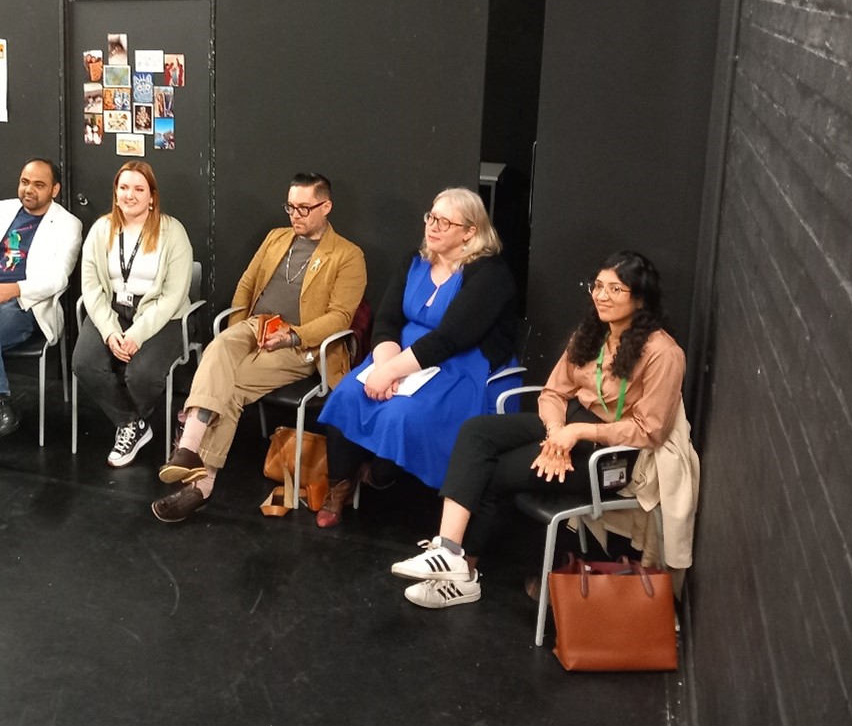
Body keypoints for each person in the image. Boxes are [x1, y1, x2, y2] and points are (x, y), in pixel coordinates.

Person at [388, 250, 690, 609]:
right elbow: (553, 392)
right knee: (476, 432)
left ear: (640, 299)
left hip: (611, 453)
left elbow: (649, 430)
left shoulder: (663, 352)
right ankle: (450, 553)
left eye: (615, 289)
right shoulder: (591, 332)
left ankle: (463, 573)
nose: (601, 296)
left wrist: (577, 435)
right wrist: (556, 431)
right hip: (565, 424)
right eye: (598, 286)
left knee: (491, 471)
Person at [153, 173, 366, 522]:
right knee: (220, 348)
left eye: (304, 208)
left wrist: (293, 336)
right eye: (290, 207)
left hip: (301, 343)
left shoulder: (347, 255)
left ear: (326, 207)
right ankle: (190, 451)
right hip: (257, 324)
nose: (295, 215)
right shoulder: (276, 238)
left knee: (232, 386)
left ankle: (199, 484)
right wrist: (241, 334)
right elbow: (247, 285)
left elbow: (340, 317)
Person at [316, 187, 519, 527]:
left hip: (460, 362)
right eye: (431, 217)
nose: (433, 226)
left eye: (444, 221)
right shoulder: (415, 260)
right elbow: (387, 321)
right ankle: (340, 486)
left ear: (470, 231)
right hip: (396, 353)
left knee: (402, 412)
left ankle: (383, 475)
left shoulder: (490, 273)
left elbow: (451, 338)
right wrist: (384, 367)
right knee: (348, 394)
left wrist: (392, 372)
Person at [0, 159, 83, 485]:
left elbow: (58, 279)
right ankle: (0, 401)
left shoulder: (68, 224)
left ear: (55, 189)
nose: (28, 190)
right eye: (24, 182)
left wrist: (15, 289)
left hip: (23, 305)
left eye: (38, 184)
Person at [73, 162, 193, 468]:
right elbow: (91, 286)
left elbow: (173, 295)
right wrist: (111, 330)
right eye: (124, 188)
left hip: (161, 315)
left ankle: (134, 420)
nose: (130, 195)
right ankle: (131, 424)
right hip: (112, 310)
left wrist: (136, 334)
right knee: (84, 363)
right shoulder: (101, 230)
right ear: (115, 193)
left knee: (142, 375)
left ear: (152, 196)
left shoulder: (172, 231)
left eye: (139, 189)